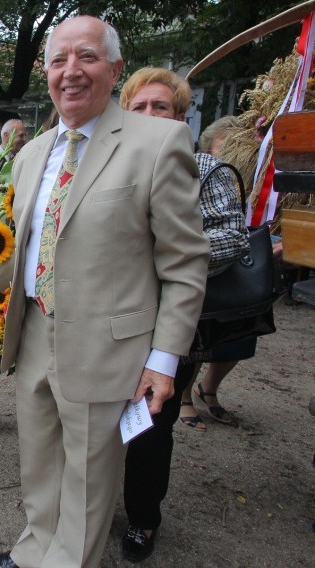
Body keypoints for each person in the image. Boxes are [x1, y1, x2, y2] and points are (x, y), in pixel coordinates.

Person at [0, 17, 209, 568]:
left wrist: (163, 362)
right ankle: (35, 549)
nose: (71, 72)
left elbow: (185, 263)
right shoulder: (31, 153)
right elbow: (23, 251)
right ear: (46, 73)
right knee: (39, 463)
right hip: (37, 333)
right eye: (59, 60)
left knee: (88, 479)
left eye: (86, 57)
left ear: (114, 69)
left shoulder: (158, 142)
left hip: (108, 348)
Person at [118, 67, 250, 562]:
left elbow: (230, 237)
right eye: (140, 107)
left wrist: (158, 255)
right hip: (111, 319)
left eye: (162, 107)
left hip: (172, 324)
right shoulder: (111, 164)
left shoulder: (204, 170)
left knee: (151, 425)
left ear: (181, 117)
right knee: (100, 418)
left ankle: (142, 518)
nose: (151, 116)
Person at [178, 115, 256, 433]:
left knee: (228, 336)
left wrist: (170, 248)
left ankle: (207, 388)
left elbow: (233, 235)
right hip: (187, 282)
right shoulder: (198, 165)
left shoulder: (214, 171)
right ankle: (186, 395)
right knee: (193, 341)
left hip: (214, 273)